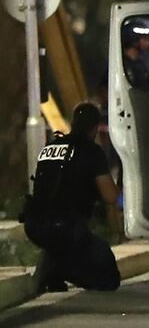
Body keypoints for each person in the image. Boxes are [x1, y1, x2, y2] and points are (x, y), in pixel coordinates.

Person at [22, 102, 122, 292]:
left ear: (73, 123)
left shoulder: (50, 147)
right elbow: (110, 197)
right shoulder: (91, 151)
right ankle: (60, 269)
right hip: (66, 227)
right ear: (95, 128)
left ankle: (54, 269)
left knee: (65, 245)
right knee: (108, 275)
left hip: (35, 225)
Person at [122, 22, 149, 90]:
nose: (148, 43)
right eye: (145, 39)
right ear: (134, 39)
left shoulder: (141, 64)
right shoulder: (121, 65)